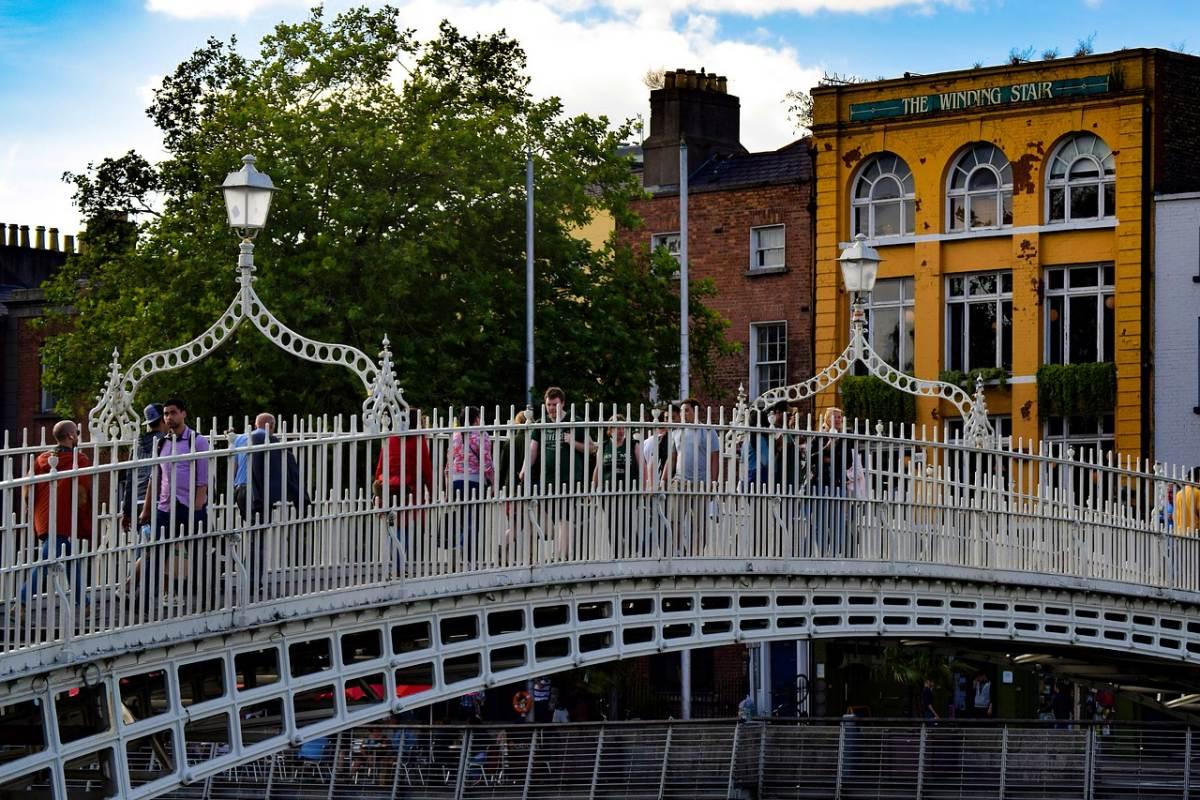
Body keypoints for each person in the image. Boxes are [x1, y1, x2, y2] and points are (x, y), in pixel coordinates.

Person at [137, 398, 211, 611]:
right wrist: (147, 509)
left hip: (189, 505)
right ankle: (143, 596)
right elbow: (156, 476)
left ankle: (204, 597)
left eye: (173, 413)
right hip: (165, 505)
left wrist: (196, 509)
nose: (169, 417)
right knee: (156, 550)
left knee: (198, 552)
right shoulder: (161, 442)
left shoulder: (197, 441)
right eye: (166, 414)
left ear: (183, 414)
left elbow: (202, 480)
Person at [17, 420, 93, 613]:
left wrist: (30, 508)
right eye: (76, 433)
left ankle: (84, 604)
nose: (77, 436)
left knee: (69, 560)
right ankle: (22, 603)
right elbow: (82, 493)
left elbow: (27, 489)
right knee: (45, 561)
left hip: (42, 517)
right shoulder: (79, 459)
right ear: (70, 436)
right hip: (62, 517)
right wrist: (81, 516)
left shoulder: (42, 458)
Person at [520, 387, 593, 559]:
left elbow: (592, 448)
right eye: (548, 405)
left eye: (555, 404)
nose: (551, 408)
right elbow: (532, 450)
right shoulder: (542, 423)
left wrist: (573, 442)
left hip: (569, 478)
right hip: (548, 480)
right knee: (557, 518)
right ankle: (562, 553)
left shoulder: (574, 420)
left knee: (565, 516)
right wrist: (524, 470)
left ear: (563, 403)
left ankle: (561, 555)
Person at [375, 409, 433, 574]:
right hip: (408, 490)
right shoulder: (418, 440)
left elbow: (380, 464)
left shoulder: (390, 438)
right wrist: (432, 491)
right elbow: (426, 469)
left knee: (391, 527)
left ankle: (392, 564)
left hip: (387, 487)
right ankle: (399, 566)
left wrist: (377, 484)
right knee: (404, 529)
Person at [665, 398, 721, 556]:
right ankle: (678, 552)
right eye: (682, 411)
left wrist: (713, 482)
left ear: (695, 411)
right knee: (674, 521)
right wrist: (664, 479)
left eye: (686, 410)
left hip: (700, 483)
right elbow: (672, 458)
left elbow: (714, 458)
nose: (683, 414)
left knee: (699, 524)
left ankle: (695, 554)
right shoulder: (677, 432)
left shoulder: (708, 432)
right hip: (680, 482)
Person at [445, 407, 494, 566]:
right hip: (475, 480)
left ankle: (459, 548)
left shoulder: (456, 436)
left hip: (456, 480)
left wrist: (447, 487)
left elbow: (448, 464)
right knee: (474, 520)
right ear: (477, 418)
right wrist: (493, 483)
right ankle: (467, 554)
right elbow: (487, 462)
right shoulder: (482, 435)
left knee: (461, 518)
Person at [592, 415, 642, 558]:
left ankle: (633, 553)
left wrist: (645, 487)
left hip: (628, 492)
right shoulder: (605, 446)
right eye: (616, 427)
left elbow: (641, 467)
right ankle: (616, 555)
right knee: (612, 526)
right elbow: (598, 468)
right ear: (610, 430)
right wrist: (593, 486)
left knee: (629, 524)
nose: (620, 430)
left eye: (622, 427)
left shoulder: (633, 445)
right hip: (608, 492)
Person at [118, 403, 167, 531]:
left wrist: (126, 512)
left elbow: (129, 479)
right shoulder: (166, 442)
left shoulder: (137, 445)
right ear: (163, 419)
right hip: (158, 502)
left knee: (142, 543)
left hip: (137, 502)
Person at [232, 412, 275, 518]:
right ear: (271, 426)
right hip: (257, 490)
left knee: (249, 524)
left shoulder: (240, 438)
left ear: (256, 425)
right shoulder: (268, 439)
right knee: (260, 525)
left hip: (240, 488)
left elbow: (235, 467)